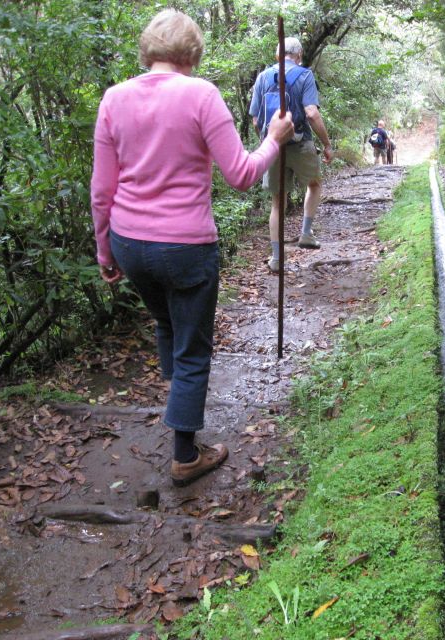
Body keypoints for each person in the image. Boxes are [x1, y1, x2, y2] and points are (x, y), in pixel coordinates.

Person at [90, 9, 294, 487]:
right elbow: (243, 175)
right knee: (193, 349)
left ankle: (177, 396)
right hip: (184, 245)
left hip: (130, 242)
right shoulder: (201, 94)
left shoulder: (113, 98)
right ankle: (185, 454)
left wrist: (105, 251)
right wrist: (273, 140)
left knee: (167, 322)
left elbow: (102, 189)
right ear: (193, 53)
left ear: (148, 50)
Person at [249, 37, 333, 273]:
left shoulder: (263, 77)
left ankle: (276, 259)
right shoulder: (305, 75)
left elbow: (256, 119)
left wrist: (268, 142)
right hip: (301, 142)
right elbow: (311, 113)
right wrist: (326, 144)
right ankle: (306, 233)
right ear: (299, 55)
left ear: (278, 55)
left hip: (274, 147)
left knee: (277, 202)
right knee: (314, 184)